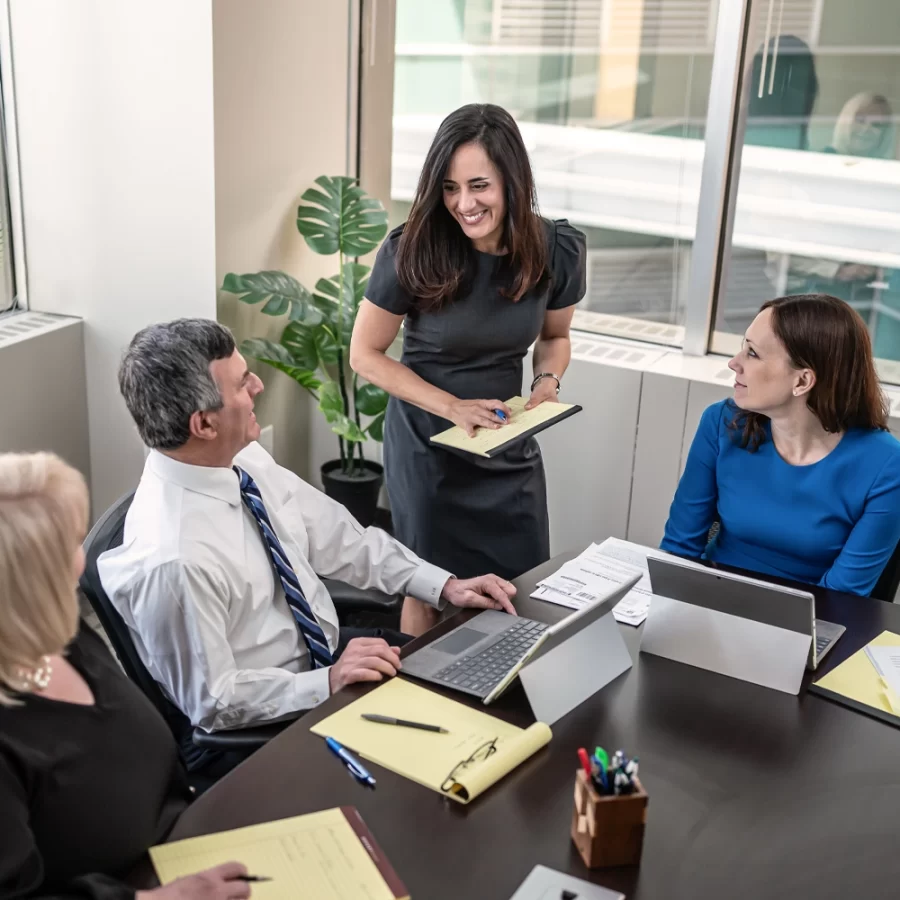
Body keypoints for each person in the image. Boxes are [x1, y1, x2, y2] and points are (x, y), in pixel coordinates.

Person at [98, 319, 515, 775]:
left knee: (487, 690)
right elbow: (214, 702)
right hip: (267, 722)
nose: (257, 384)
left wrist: (445, 586)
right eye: (242, 383)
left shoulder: (240, 458)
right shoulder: (172, 560)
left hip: (327, 662)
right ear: (203, 424)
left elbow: (338, 537)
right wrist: (327, 682)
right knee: (452, 767)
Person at [349, 102, 586, 635]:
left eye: (479, 186)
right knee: (430, 591)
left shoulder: (556, 250)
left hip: (504, 443)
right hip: (429, 446)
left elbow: (555, 336)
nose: (463, 203)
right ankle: (418, 692)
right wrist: (451, 406)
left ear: (512, 179)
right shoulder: (412, 248)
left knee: (518, 588)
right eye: (450, 188)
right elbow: (364, 354)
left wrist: (546, 384)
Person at [0, 451, 251, 900]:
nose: (83, 561)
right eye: (72, 544)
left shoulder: (61, 633)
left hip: (189, 839)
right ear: (28, 586)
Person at [662, 294, 900, 597]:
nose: (734, 363)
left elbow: (843, 597)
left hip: (812, 621)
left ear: (802, 382)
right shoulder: (721, 423)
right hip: (710, 601)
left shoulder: (887, 467)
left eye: (752, 353)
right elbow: (679, 548)